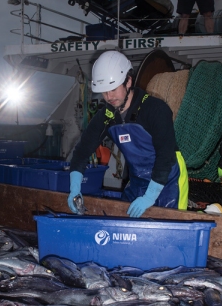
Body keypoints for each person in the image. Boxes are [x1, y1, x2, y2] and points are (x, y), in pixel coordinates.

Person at [67, 51, 188, 218]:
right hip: (137, 180)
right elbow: (82, 152)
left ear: (128, 81)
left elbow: (165, 157)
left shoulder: (155, 109)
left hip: (169, 180)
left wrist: (150, 197)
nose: (109, 97)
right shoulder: (106, 116)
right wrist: (74, 188)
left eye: (113, 89)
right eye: (104, 91)